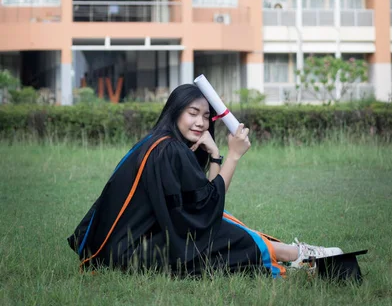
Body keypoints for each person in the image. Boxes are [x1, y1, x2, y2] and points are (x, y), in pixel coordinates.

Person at [68, 84, 342, 278]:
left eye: (206, 116)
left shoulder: (158, 143)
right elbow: (206, 212)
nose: (201, 122)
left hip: (118, 248)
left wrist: (215, 155)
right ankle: (298, 256)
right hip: (130, 254)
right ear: (175, 111)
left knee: (223, 226)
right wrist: (233, 156)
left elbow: (207, 202)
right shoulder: (169, 151)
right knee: (223, 237)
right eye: (192, 112)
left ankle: (296, 254)